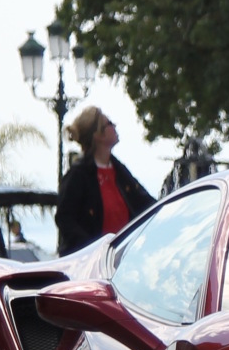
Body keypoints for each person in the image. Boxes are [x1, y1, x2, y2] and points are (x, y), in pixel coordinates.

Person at [55, 106, 156, 255]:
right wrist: (94, 248)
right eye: (109, 124)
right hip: (91, 264)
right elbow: (64, 218)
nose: (114, 126)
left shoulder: (119, 171)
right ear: (97, 135)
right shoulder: (79, 174)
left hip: (124, 261)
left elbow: (145, 204)